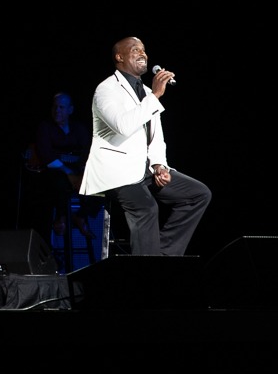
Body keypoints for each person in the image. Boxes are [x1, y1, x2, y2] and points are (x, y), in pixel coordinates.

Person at [81, 37, 211, 256]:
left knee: (198, 194)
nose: (143, 54)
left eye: (144, 50)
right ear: (119, 57)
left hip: (144, 171)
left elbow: (155, 137)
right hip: (117, 172)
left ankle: (162, 256)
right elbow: (123, 125)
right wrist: (157, 95)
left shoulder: (148, 93)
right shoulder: (106, 90)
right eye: (135, 50)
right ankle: (146, 270)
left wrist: (160, 165)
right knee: (147, 208)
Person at [22, 91, 99, 268]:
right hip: (54, 174)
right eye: (55, 107)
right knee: (59, 182)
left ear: (70, 110)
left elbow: (87, 153)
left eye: (61, 107)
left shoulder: (79, 129)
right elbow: (47, 155)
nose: (57, 111)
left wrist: (80, 173)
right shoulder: (45, 128)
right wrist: (68, 173)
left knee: (99, 185)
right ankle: (61, 218)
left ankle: (79, 216)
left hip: (76, 172)